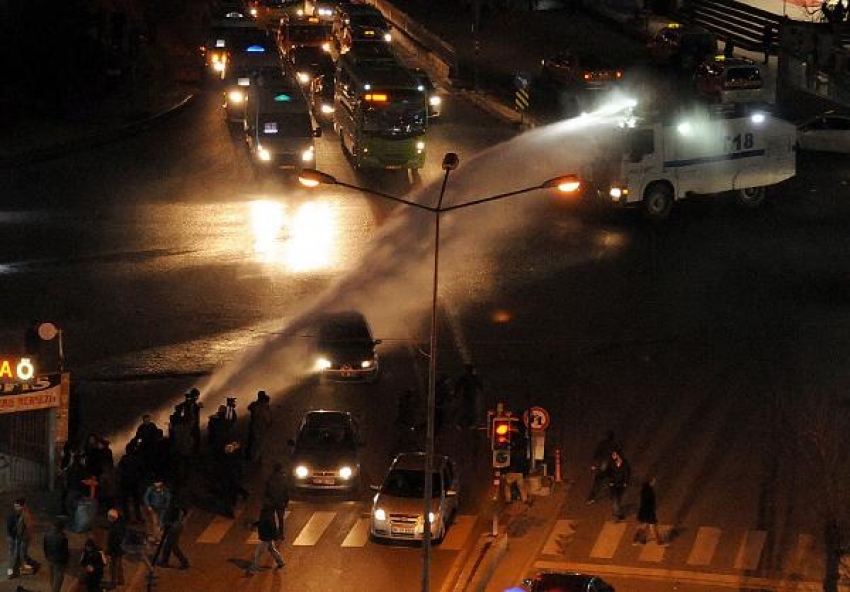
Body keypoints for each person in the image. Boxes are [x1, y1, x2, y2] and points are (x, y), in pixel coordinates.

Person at [246, 504, 285, 575]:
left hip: (265, 538)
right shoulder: (265, 514)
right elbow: (261, 522)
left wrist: (275, 537)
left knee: (258, 553)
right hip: (266, 537)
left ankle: (254, 568)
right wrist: (254, 524)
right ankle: (281, 562)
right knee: (272, 550)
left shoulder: (268, 516)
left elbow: (272, 528)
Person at [6, 498, 36, 579]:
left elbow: (26, 528)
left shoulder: (22, 514)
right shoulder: (15, 515)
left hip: (17, 538)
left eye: (17, 506)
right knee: (13, 554)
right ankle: (11, 572)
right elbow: (10, 529)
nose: (15, 508)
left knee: (15, 554)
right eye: (15, 506)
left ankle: (14, 570)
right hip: (14, 538)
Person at [587, 430, 618, 505]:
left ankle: (591, 498)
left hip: (602, 466)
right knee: (613, 481)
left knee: (597, 482)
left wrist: (594, 465)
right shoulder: (614, 445)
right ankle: (613, 496)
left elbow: (596, 454)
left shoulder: (602, 444)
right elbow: (616, 456)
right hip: (611, 466)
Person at [633, 477, 667, 546]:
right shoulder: (648, 490)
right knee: (653, 528)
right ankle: (659, 542)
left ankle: (637, 540)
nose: (654, 483)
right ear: (650, 482)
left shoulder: (645, 489)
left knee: (643, 527)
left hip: (644, 512)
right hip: (648, 512)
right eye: (653, 481)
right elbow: (648, 502)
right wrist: (652, 508)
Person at [503, 417, 529, 503]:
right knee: (521, 486)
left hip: (510, 470)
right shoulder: (521, 445)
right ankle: (524, 499)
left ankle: (508, 499)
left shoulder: (510, 448)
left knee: (507, 486)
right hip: (519, 471)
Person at [158, 505, 190, 569]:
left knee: (174, 546)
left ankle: (184, 562)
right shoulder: (177, 507)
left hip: (173, 527)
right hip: (176, 526)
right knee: (167, 545)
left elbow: (168, 519)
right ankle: (164, 561)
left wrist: (164, 525)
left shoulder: (170, 508)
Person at [42, 519, 69, 592]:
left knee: (52, 576)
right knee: (58, 578)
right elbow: (65, 551)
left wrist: (47, 556)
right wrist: (66, 561)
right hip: (59, 561)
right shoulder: (62, 537)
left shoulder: (47, 534)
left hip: (50, 558)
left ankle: (53, 589)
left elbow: (44, 547)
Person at [142, 478, 172, 544]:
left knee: (161, 523)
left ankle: (160, 537)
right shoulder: (150, 488)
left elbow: (168, 498)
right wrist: (148, 506)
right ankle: (157, 538)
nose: (157, 484)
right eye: (156, 483)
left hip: (162, 509)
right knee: (155, 523)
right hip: (154, 508)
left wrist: (166, 506)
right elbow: (145, 497)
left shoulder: (164, 489)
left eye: (158, 482)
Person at [246, 391, 273, 464]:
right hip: (260, 427)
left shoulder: (254, 405)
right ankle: (256, 459)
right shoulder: (264, 407)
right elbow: (267, 418)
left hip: (253, 426)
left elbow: (249, 408)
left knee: (253, 442)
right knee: (259, 443)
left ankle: (253, 458)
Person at [454, 364, 484, 428]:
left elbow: (458, 385)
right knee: (472, 409)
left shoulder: (464, 377)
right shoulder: (474, 377)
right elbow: (480, 385)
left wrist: (455, 393)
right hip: (473, 395)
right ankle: (470, 423)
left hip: (466, 395)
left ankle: (461, 423)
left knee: (465, 408)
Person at [263, 462, 290, 534]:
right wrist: (286, 501)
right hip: (281, 502)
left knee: (272, 518)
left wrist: (267, 500)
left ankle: (274, 532)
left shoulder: (270, 478)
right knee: (280, 518)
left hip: (272, 502)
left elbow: (266, 491)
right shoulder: (284, 479)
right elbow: (286, 491)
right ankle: (281, 533)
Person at [607, 450, 631, 522]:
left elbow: (627, 472)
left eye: (614, 455)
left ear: (618, 455)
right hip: (613, 483)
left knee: (618, 498)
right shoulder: (611, 462)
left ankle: (617, 511)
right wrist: (611, 481)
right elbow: (609, 472)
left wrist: (625, 482)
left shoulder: (625, 463)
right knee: (615, 500)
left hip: (621, 484)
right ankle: (617, 515)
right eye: (612, 455)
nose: (612, 456)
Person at [105, 508, 126, 588]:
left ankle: (113, 584)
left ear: (112, 517)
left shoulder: (115, 527)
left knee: (113, 567)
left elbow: (113, 541)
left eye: (108, 517)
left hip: (115, 550)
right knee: (119, 565)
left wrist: (109, 551)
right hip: (120, 549)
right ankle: (121, 580)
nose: (107, 518)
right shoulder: (120, 523)